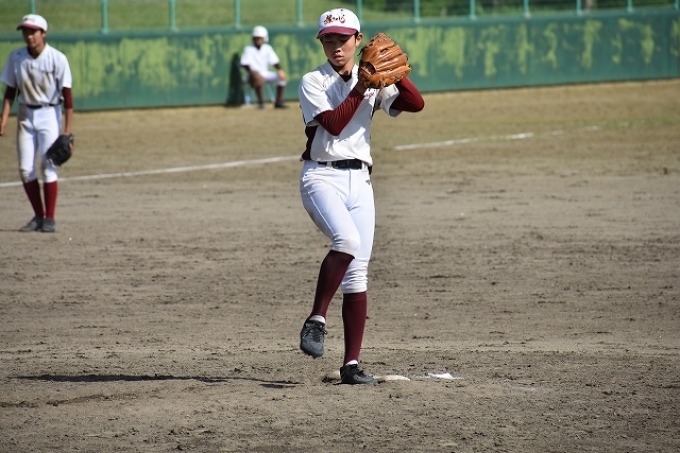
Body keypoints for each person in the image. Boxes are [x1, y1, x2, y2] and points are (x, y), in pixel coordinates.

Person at [297, 8, 425, 384]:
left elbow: (415, 103)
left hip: (361, 181)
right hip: (322, 177)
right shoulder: (313, 81)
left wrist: (396, 73)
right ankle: (316, 319)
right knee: (347, 240)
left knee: (358, 275)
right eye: (329, 41)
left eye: (343, 39)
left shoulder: (370, 76)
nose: (336, 47)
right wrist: (362, 85)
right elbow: (334, 125)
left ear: (358, 40)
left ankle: (351, 365)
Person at [0, 14, 73, 233]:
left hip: (49, 113)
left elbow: (68, 97)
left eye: (33, 32)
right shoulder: (17, 57)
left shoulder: (57, 58)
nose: (29, 36)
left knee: (47, 165)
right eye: (26, 31)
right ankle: (38, 216)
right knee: (25, 169)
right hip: (25, 115)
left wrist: (67, 132)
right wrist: (4, 119)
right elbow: (10, 91)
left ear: (44, 33)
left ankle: (50, 218)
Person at [240, 25, 288, 109]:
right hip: (252, 74)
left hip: (265, 73)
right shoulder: (248, 49)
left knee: (281, 77)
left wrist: (280, 70)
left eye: (260, 38)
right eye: (256, 38)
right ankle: (261, 102)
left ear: (264, 38)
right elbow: (244, 63)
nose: (258, 40)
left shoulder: (267, 48)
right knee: (256, 76)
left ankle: (278, 102)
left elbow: (274, 61)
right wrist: (253, 72)